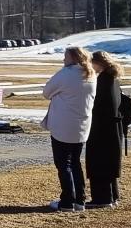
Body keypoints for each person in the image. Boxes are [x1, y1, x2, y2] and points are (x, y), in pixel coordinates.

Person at [41, 45, 97, 212]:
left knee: (63, 164)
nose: (63, 60)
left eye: (65, 56)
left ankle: (67, 201)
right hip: (82, 125)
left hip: (63, 126)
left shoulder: (66, 74)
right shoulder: (91, 74)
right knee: (75, 163)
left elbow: (46, 92)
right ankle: (80, 199)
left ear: (72, 58)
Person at [86, 51, 124, 208]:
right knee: (109, 163)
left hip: (102, 127)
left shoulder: (102, 80)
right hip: (113, 127)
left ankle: (102, 198)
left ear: (98, 63)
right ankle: (112, 196)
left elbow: (99, 105)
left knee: (99, 162)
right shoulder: (113, 78)